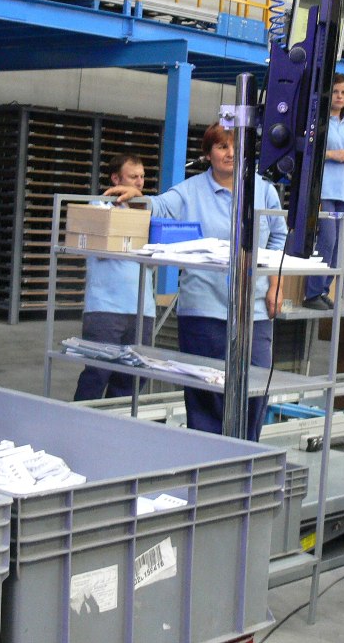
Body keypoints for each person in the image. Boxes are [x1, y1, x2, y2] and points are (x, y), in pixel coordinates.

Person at [107, 123, 286, 441]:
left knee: (256, 387)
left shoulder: (264, 191)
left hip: (254, 310)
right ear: (208, 154)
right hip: (204, 309)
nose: (230, 153)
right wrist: (139, 197)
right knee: (205, 390)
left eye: (237, 146)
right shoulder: (190, 191)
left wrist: (276, 286)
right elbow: (160, 206)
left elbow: (278, 238)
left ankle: (247, 454)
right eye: (222, 146)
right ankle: (207, 456)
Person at [74, 154, 156, 400]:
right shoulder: (98, 208)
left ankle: (115, 420)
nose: (139, 182)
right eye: (133, 177)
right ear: (116, 179)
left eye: (142, 177)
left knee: (134, 376)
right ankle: (80, 420)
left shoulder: (148, 212)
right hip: (106, 308)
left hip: (142, 309)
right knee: (97, 373)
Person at [304, 72, 344, 310]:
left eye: (343, 92)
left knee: (338, 245)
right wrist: (331, 154)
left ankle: (324, 290)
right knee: (327, 240)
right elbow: (309, 151)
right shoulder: (319, 122)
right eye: (335, 91)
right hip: (325, 190)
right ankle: (312, 292)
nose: (339, 96)